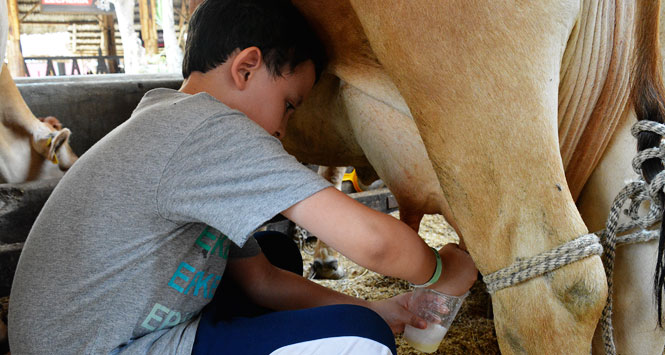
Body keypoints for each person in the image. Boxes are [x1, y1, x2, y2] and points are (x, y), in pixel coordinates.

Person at [8, 0, 478, 354]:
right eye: (289, 106)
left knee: (276, 252)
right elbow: (375, 245)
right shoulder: (210, 129)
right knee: (364, 343)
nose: (282, 130)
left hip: (109, 330)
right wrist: (440, 271)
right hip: (105, 347)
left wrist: (377, 307)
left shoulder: (167, 120)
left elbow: (262, 281)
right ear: (247, 67)